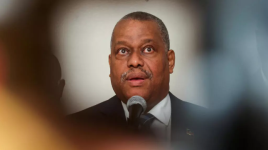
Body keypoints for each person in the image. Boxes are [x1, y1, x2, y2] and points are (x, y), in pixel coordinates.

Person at [69, 11, 208, 149]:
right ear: (110, 64)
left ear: (170, 61)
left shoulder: (209, 124)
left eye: (148, 49)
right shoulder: (75, 128)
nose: (134, 61)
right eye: (123, 51)